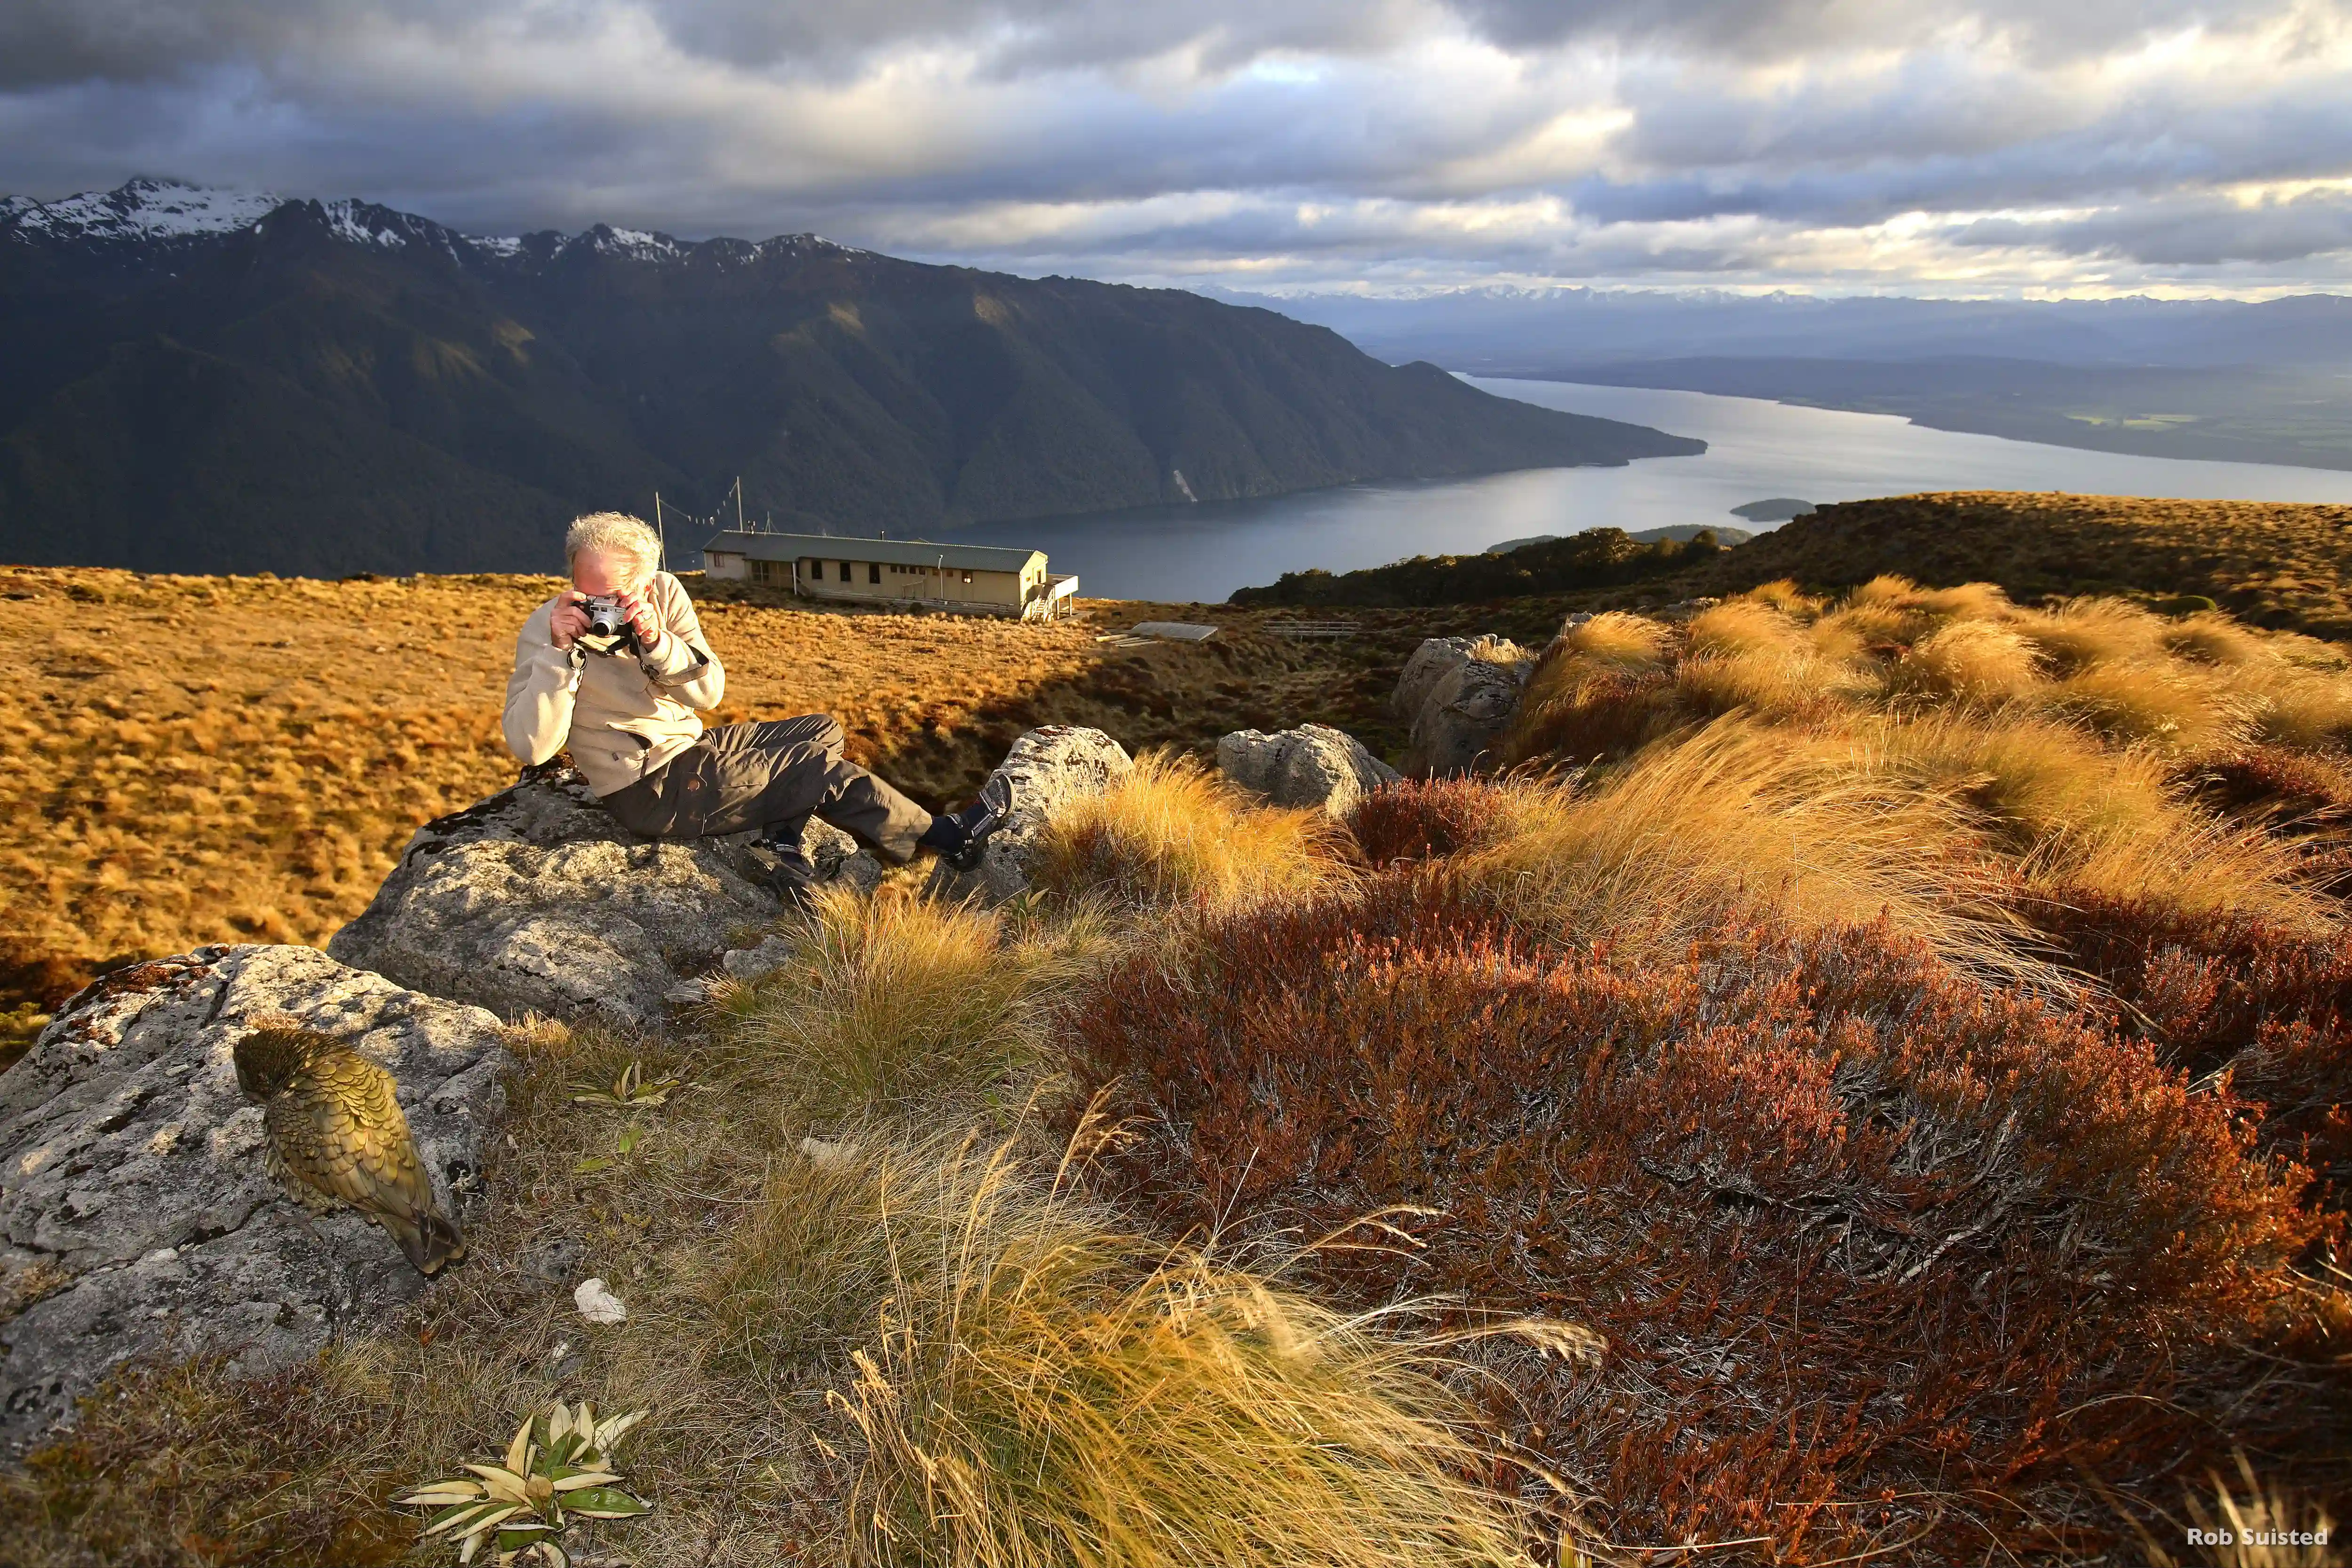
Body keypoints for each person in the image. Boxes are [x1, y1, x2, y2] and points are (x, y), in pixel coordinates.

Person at [502, 512, 1009, 899]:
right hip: (649, 786)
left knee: (822, 730)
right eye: (587, 596)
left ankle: (779, 841)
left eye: (612, 598)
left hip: (689, 748)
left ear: (646, 583)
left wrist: (657, 643)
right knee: (815, 768)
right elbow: (532, 748)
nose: (600, 613)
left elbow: (707, 694)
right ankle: (945, 837)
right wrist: (559, 657)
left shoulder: (666, 595)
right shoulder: (549, 628)